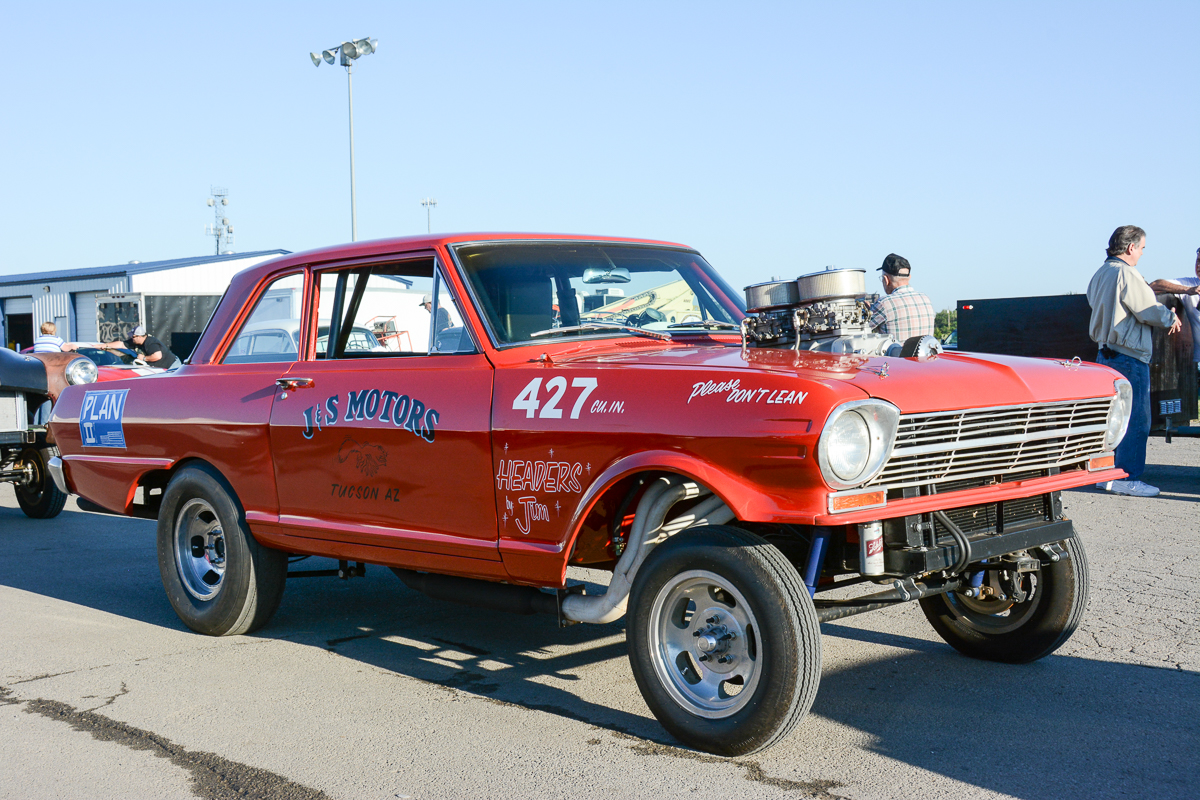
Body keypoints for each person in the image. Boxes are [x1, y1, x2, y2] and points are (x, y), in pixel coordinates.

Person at [1087, 225, 1181, 498]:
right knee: (1137, 419)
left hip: (1104, 354)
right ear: (1130, 248)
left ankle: (1107, 474)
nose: (1141, 253)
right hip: (1129, 355)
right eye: (1141, 248)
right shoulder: (1127, 273)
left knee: (1112, 419)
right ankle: (1128, 477)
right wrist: (1170, 317)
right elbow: (1147, 310)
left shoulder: (1101, 273)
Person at [1149, 246, 1200, 391]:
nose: (1199, 266)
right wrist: (1185, 292)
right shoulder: (1190, 284)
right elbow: (1154, 285)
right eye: (1198, 261)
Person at [869, 253, 936, 342]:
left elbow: (858, 331)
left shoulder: (884, 303)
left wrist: (868, 313)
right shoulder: (926, 299)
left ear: (886, 279)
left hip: (897, 356)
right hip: (926, 355)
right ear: (909, 277)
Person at [100, 324, 181, 369]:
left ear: (139, 336)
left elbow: (157, 356)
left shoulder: (150, 342)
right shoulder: (136, 342)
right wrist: (106, 345)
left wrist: (143, 358)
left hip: (172, 366)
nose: (132, 338)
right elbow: (121, 344)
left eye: (133, 336)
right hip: (161, 368)